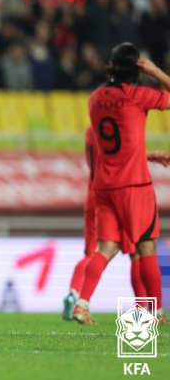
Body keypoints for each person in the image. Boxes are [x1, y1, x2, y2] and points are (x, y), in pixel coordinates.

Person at [73, 43, 170, 324]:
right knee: (146, 248)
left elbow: (114, 142)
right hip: (134, 185)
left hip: (104, 185)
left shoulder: (95, 98)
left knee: (106, 248)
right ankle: (155, 312)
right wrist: (155, 71)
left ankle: (82, 302)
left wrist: (146, 153)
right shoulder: (138, 95)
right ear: (137, 68)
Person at [62, 125, 170, 320]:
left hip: (95, 191)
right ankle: (146, 309)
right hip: (122, 188)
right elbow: (121, 153)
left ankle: (78, 297)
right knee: (140, 250)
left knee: (97, 251)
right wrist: (148, 154)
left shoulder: (91, 130)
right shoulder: (117, 126)